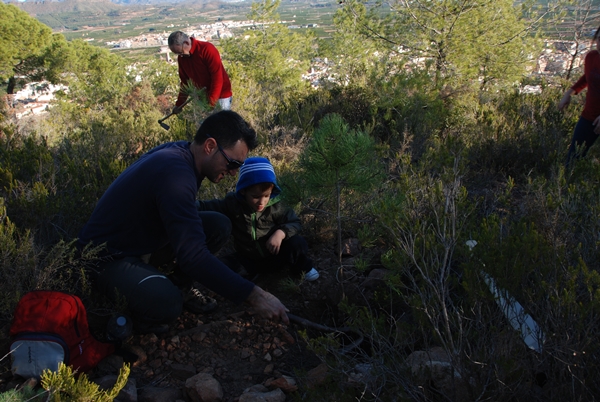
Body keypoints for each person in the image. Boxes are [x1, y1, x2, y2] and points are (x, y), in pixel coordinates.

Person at [77, 111, 289, 334]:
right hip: (106, 257)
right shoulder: (176, 174)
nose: (234, 172)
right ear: (209, 146)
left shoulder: (183, 153)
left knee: (218, 225)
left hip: (141, 238)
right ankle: (125, 319)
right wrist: (255, 296)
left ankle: (178, 287)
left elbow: (186, 218)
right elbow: (193, 256)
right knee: (167, 304)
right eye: (232, 162)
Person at [197, 157, 320, 282]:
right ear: (244, 191)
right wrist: (183, 204)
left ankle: (303, 269)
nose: (262, 202)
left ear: (272, 190)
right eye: (255, 196)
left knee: (297, 243)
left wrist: (281, 233)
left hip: (276, 254)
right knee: (222, 266)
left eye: (266, 195)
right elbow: (206, 206)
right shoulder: (232, 204)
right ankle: (250, 275)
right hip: (249, 258)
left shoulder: (278, 205)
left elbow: (295, 223)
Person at [558, 25, 600, 166]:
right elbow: (587, 77)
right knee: (573, 160)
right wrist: (569, 93)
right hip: (589, 117)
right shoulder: (592, 58)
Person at [168, 31, 233, 113]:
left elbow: (217, 78)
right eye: (177, 53)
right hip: (203, 98)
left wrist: (211, 103)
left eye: (180, 52)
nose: (180, 55)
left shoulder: (207, 49)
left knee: (221, 125)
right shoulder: (182, 58)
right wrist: (179, 104)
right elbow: (185, 83)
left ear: (186, 43)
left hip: (221, 97)